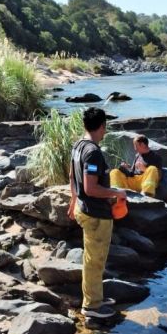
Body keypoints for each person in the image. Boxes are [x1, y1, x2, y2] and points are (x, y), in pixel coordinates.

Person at [68, 107, 127, 319]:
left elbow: (72, 175)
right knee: (95, 261)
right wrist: (116, 192)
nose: (105, 131)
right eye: (105, 127)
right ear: (102, 126)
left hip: (83, 209)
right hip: (96, 214)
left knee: (92, 258)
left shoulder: (78, 146)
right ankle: (92, 306)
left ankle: (95, 296)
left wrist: (73, 199)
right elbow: (90, 188)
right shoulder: (93, 152)